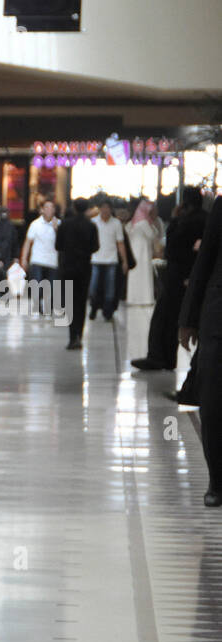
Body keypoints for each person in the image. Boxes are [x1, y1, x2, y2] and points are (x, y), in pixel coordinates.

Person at [178, 195, 222, 507]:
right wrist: (188, 319)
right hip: (219, 315)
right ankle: (218, 479)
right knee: (214, 397)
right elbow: (204, 260)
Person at [133, 187, 207, 371]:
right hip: (194, 277)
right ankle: (167, 359)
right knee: (176, 318)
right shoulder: (207, 218)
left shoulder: (186, 221)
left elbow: (172, 246)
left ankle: (158, 357)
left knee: (164, 317)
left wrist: (174, 218)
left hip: (178, 276)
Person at [123, 199, 163, 361]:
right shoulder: (144, 224)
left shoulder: (133, 223)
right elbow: (155, 236)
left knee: (135, 279)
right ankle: (144, 299)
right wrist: (154, 222)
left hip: (136, 254)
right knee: (144, 279)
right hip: (143, 255)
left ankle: (134, 298)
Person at [57, 199, 99, 350]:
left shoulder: (65, 224)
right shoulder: (91, 226)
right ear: (87, 209)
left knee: (70, 302)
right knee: (81, 302)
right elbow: (96, 247)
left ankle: (71, 336)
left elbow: (58, 245)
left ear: (74, 208)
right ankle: (79, 335)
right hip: (84, 267)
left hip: (68, 267)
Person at [88, 198, 128, 322]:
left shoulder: (116, 223)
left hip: (111, 260)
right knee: (93, 287)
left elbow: (120, 243)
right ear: (99, 209)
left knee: (110, 288)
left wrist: (124, 261)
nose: (105, 210)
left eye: (108, 208)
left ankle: (108, 311)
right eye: (103, 207)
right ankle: (94, 307)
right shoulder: (93, 222)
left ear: (111, 209)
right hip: (95, 260)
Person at [21, 198, 60, 315]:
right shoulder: (35, 224)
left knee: (51, 286)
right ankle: (38, 305)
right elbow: (28, 242)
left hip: (52, 261)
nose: (49, 210)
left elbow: (63, 243)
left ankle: (46, 305)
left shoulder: (58, 224)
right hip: (37, 259)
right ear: (41, 210)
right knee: (36, 285)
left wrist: (56, 230)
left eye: (51, 207)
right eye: (46, 207)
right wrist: (24, 259)